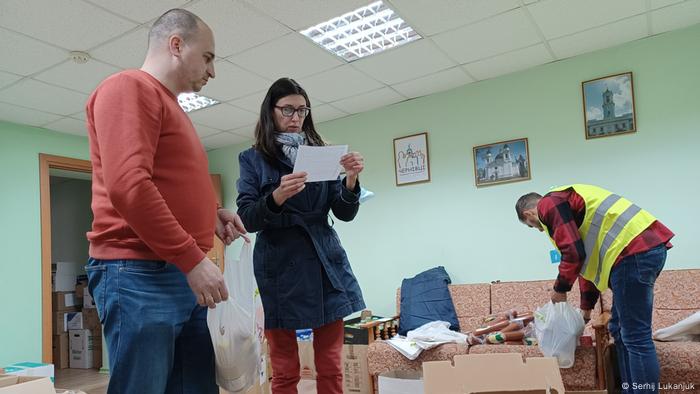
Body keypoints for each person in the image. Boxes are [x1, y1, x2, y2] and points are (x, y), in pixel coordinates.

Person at [84, 9, 247, 394]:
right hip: (140, 272)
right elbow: (129, 186)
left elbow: (166, 182)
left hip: (177, 274)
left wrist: (210, 214)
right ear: (176, 44)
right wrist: (192, 259)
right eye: (207, 57)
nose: (212, 70)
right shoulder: (128, 87)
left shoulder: (172, 106)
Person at [236, 77, 366, 394]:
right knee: (284, 372)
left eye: (302, 110)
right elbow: (247, 218)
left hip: (325, 261)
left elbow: (344, 212)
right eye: (288, 110)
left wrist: (350, 180)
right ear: (271, 111)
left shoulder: (320, 153)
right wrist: (277, 197)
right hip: (279, 264)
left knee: (332, 368)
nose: (296, 118)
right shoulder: (252, 158)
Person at [516, 184, 674, 394]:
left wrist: (560, 289)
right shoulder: (567, 210)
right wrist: (586, 310)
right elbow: (586, 266)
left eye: (531, 225)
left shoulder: (549, 204)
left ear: (529, 213)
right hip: (639, 251)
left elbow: (573, 254)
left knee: (635, 336)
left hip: (633, 251)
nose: (538, 229)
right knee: (618, 329)